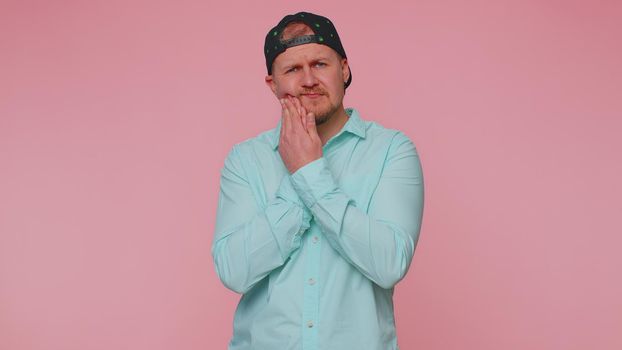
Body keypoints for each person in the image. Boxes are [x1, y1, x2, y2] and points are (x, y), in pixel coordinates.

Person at [212, 11, 424, 350]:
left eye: (320, 65)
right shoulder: (245, 159)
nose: (309, 79)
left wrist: (306, 171)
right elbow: (234, 271)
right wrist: (305, 177)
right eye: (293, 69)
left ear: (344, 68)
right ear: (273, 84)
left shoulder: (391, 150)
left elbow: (389, 263)